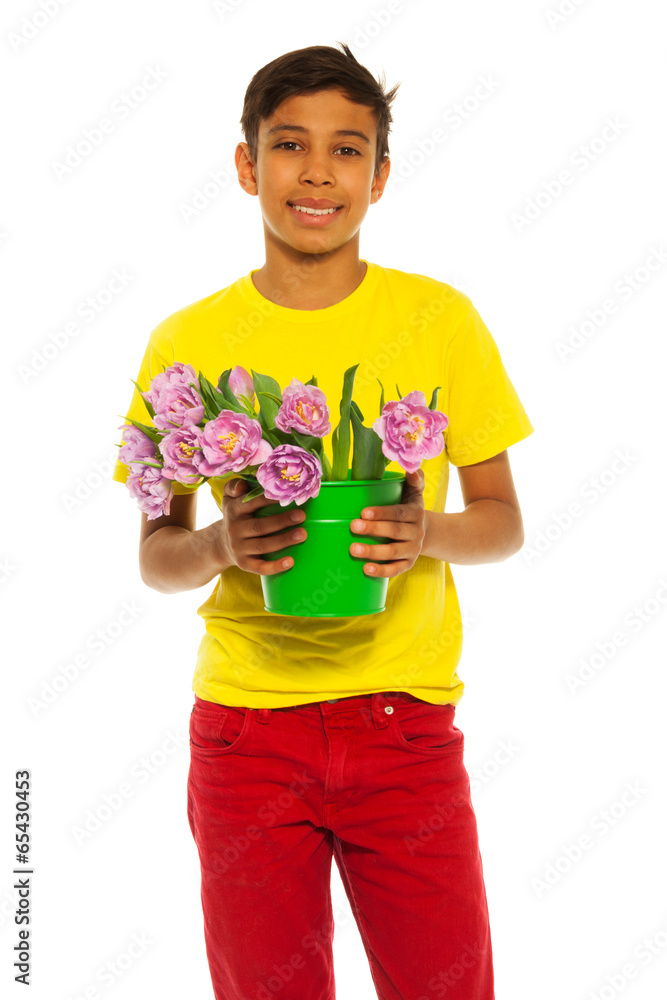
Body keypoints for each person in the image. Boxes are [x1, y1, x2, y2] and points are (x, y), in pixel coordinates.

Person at [113, 42, 534, 1000]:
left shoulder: (439, 321)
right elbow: (157, 557)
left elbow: (502, 521)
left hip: (404, 728)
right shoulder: (187, 342)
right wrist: (220, 544)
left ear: (379, 177)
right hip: (245, 735)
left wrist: (425, 533)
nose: (316, 172)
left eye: (348, 150)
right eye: (289, 144)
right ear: (246, 164)